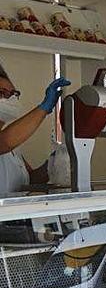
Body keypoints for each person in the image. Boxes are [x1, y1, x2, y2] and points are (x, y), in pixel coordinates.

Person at [0, 63, 69, 196]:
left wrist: (53, 163)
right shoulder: (7, 142)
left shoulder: (14, 148)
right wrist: (44, 107)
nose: (9, 99)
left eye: (13, 94)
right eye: (2, 93)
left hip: (17, 214)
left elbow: (30, 180)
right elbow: (4, 142)